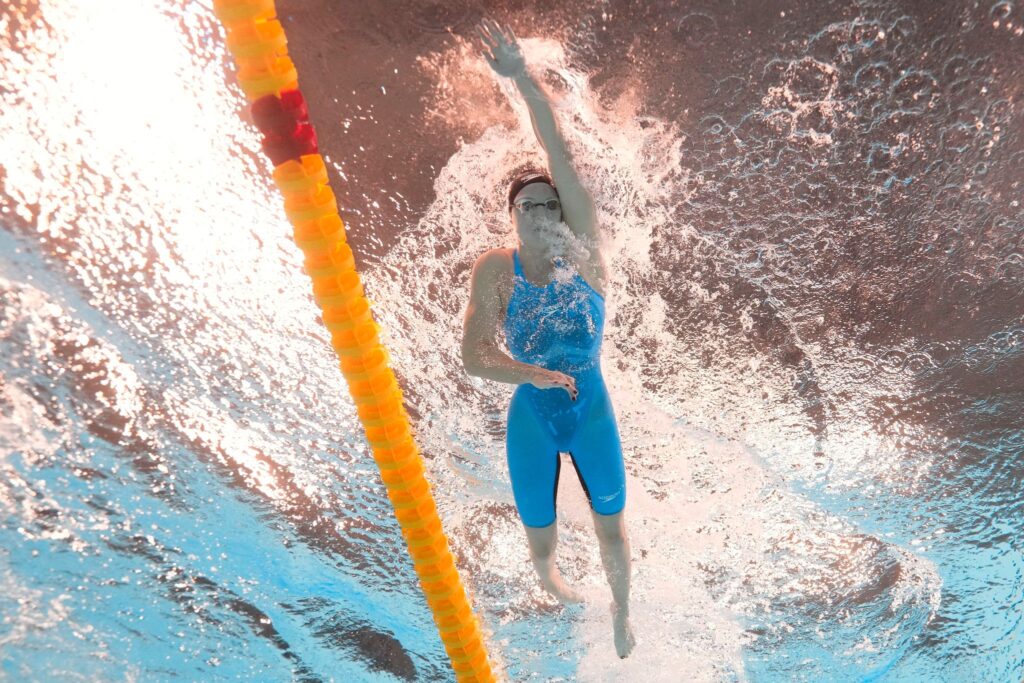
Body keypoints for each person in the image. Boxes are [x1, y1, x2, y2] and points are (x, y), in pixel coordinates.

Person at [460, 18, 636, 659]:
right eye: (527, 207)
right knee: (541, 539)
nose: (540, 214)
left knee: (612, 532)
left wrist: (523, 84)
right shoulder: (495, 270)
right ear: (512, 219)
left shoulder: (585, 256)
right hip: (532, 414)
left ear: (565, 214)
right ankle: (553, 582)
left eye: (549, 204)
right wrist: (527, 374)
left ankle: (621, 609)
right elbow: (473, 356)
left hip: (591, 410)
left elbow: (559, 151)